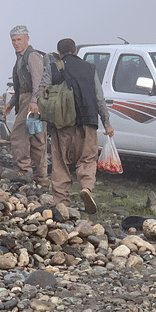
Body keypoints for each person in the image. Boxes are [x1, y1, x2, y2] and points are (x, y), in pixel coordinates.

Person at [49, 38, 114, 213]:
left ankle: (62, 202)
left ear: (59, 53)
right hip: (88, 122)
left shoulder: (54, 68)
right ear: (75, 50)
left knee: (61, 163)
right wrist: (107, 123)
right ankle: (86, 187)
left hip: (63, 124)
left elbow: (44, 93)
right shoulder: (90, 68)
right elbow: (99, 98)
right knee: (87, 159)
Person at [3, 25, 50, 186]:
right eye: (13, 40)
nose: (16, 43)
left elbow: (38, 81)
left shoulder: (32, 56)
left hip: (32, 101)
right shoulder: (21, 57)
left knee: (19, 134)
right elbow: (21, 84)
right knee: (36, 136)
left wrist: (34, 101)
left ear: (27, 39)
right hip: (27, 100)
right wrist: (11, 103)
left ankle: (25, 171)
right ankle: (41, 177)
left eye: (19, 39)